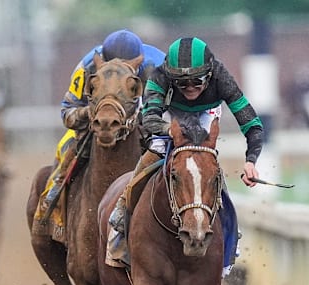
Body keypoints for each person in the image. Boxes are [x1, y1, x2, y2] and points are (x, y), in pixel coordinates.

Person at [106, 36, 264, 266]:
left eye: (197, 81)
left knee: (210, 173)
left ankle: (230, 241)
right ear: (172, 78)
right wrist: (170, 129)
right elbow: (149, 119)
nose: (190, 87)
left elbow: (252, 125)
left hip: (206, 115)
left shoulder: (221, 77)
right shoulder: (160, 75)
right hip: (170, 117)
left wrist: (251, 161)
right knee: (148, 160)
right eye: (182, 83)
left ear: (209, 75)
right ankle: (121, 218)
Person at [33, 29, 165, 232]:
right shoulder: (87, 66)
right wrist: (92, 113)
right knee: (67, 144)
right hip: (95, 120)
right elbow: (67, 112)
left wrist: (142, 119)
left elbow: (169, 113)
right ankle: (53, 195)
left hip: (144, 119)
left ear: (137, 66)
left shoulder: (158, 67)